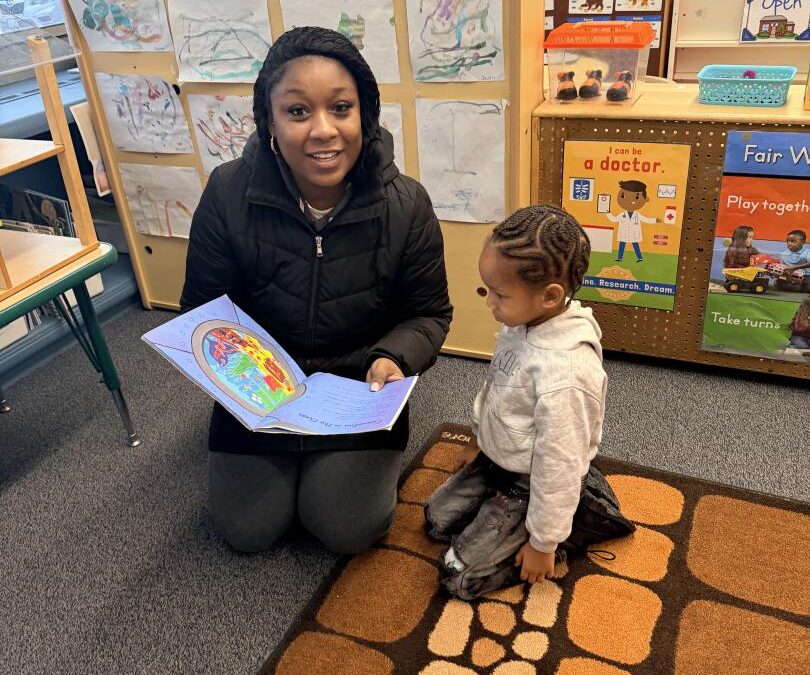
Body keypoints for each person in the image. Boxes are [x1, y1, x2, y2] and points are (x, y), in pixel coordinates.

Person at [180, 27, 452, 555]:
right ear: (271, 121)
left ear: (364, 115)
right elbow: (204, 312)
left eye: (341, 108)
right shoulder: (228, 192)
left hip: (355, 390)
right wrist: (243, 377)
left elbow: (428, 314)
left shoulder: (407, 204)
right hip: (260, 387)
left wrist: (395, 358)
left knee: (345, 529)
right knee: (247, 531)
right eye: (298, 112)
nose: (323, 131)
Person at [424, 205, 607, 599]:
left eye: (500, 294)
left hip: (536, 475)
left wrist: (544, 544)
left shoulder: (567, 373)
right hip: (501, 456)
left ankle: (570, 522)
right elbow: (495, 385)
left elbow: (558, 462)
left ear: (550, 296)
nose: (489, 302)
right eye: (488, 289)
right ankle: (505, 495)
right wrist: (479, 437)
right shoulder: (520, 323)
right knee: (435, 521)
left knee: (458, 577)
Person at [605, 179, 660, 263]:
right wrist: (606, 212)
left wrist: (655, 220)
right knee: (622, 245)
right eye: (623, 195)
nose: (629, 201)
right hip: (624, 233)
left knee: (635, 245)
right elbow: (613, 219)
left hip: (634, 233)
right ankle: (619, 258)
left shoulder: (637, 215)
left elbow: (646, 219)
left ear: (646, 199)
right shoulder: (622, 214)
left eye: (637, 197)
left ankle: (639, 257)